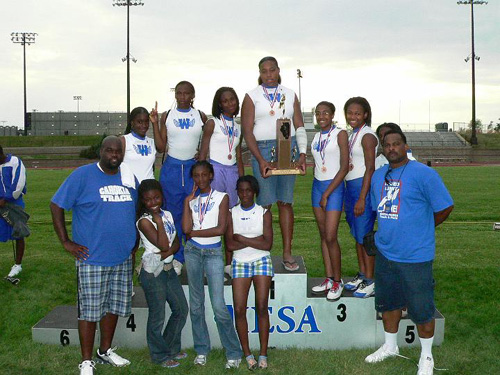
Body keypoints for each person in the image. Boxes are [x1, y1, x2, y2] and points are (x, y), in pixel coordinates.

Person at [365, 129, 453, 375]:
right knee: (388, 303)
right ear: (383, 149)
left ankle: (427, 356)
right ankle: (390, 346)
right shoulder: (378, 176)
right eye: (387, 145)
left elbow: (446, 207)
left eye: (397, 144)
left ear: (405, 146)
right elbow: (378, 209)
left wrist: (424, 226)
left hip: (415, 255)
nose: (392, 148)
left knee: (421, 308)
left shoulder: (424, 174)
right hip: (385, 251)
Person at [50, 136, 138, 375]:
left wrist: (134, 241)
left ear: (123, 153)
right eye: (109, 150)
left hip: (121, 257)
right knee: (89, 310)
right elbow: (56, 204)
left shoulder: (129, 177)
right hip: (92, 258)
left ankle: (105, 350)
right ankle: (86, 360)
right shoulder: (82, 175)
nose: (114, 155)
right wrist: (66, 241)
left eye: (118, 151)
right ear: (101, 151)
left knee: (113, 307)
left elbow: (135, 210)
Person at [241, 56, 307, 272]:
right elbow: (247, 131)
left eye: (272, 70)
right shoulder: (252, 96)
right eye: (264, 71)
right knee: (265, 204)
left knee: (286, 202)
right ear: (259, 73)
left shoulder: (290, 94)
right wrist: (259, 160)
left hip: (288, 144)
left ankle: (287, 252)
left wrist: (303, 153)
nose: (268, 75)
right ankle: (262, 252)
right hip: (262, 149)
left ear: (278, 70)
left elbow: (298, 124)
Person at [181, 161, 242, 368]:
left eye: (204, 175)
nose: (200, 179)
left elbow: (220, 229)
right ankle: (201, 349)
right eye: (196, 176)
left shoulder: (222, 198)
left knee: (219, 306)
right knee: (196, 305)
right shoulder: (191, 200)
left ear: (211, 175)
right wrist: (186, 203)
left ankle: (233, 352)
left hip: (214, 253)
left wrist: (194, 233)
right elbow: (185, 227)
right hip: (192, 252)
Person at [151, 81, 207, 276]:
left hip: (193, 170)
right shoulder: (167, 115)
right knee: (172, 214)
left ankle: (195, 257)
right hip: (172, 168)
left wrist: (202, 153)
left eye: (186, 93)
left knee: (194, 213)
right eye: (179, 93)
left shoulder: (201, 116)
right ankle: (177, 258)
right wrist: (154, 123)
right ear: (175, 95)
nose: (182, 97)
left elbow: (206, 142)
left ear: (193, 95)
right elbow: (160, 146)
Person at [136, 179, 189, 368]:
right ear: (143, 201)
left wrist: (167, 252)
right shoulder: (144, 221)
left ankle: (170, 347)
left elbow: (176, 243)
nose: (153, 202)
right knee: (157, 315)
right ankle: (159, 355)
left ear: (162, 196)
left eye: (156, 197)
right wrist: (157, 221)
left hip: (168, 269)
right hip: (153, 273)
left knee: (181, 309)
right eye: (148, 200)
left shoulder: (166, 214)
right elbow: (165, 244)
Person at [225, 175, 273, 370]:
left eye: (248, 191)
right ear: (237, 192)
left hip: (261, 260)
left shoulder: (264, 213)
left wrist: (242, 239)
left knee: (262, 306)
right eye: (241, 190)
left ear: (254, 192)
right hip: (239, 261)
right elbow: (229, 244)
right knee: (239, 309)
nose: (244, 194)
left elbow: (268, 244)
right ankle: (247, 353)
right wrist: (255, 240)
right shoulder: (231, 213)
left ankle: (263, 353)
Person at [199, 87, 244, 277]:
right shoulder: (212, 123)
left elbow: (238, 155)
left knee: (231, 219)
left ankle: (229, 263)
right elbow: (203, 153)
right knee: (214, 218)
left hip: (232, 171)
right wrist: (200, 178)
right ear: (219, 103)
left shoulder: (238, 127)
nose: (229, 103)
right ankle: (210, 262)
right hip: (216, 171)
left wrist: (242, 180)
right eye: (225, 101)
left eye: (232, 100)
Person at [309, 102, 349, 301]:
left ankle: (337, 280)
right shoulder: (316, 137)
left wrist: (327, 193)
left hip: (334, 188)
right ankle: (328, 277)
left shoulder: (340, 134)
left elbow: (343, 168)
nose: (321, 116)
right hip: (317, 186)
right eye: (318, 113)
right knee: (323, 235)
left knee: (331, 236)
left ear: (333, 115)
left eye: (325, 112)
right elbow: (318, 162)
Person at [342, 97, 378, 298]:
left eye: (357, 113)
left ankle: (371, 280)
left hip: (362, 189)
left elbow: (370, 168)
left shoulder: (367, 136)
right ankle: (363, 274)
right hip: (351, 187)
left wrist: (362, 198)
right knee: (357, 235)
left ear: (365, 114)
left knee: (365, 237)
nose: (352, 116)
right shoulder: (352, 134)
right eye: (349, 113)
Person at [0, 146, 28, 279]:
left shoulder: (15, 161)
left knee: (18, 233)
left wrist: (6, 198)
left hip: (14, 204)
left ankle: (18, 265)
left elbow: (19, 183)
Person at [120, 106, 159, 183]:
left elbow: (161, 148)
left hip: (148, 190)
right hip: (129, 186)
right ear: (132, 123)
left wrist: (155, 123)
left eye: (146, 121)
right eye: (139, 122)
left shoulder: (152, 142)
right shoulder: (124, 140)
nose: (144, 125)